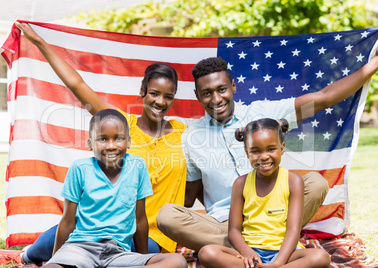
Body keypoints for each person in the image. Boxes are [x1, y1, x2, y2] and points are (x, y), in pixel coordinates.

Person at [0, 22, 187, 267]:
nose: (160, 102)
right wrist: (40, 43)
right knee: (77, 223)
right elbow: (77, 85)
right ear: (143, 90)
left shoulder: (183, 134)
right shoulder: (119, 124)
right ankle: (28, 256)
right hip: (99, 226)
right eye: (154, 93)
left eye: (168, 96)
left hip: (147, 236)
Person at [157, 52, 378, 251]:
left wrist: (374, 64)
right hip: (224, 225)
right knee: (167, 216)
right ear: (197, 95)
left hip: (276, 216)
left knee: (316, 183)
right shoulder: (190, 137)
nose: (216, 99)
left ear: (233, 86)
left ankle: (246, 248)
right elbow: (190, 196)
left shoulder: (264, 112)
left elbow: (323, 98)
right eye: (207, 93)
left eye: (221, 89)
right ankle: (262, 245)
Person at [42, 108, 186, 268]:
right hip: (81, 249)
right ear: (90, 144)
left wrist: (143, 261)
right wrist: (56, 260)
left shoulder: (137, 167)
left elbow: (140, 219)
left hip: (117, 254)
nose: (111, 146)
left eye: (118, 139)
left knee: (177, 262)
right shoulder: (79, 169)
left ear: (129, 142)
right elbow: (68, 222)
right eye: (102, 139)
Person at [198, 118, 331, 268]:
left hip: (285, 253)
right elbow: (234, 230)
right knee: (207, 253)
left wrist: (279, 262)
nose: (264, 156)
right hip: (250, 255)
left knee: (320, 257)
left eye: (271, 149)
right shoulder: (241, 184)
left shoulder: (293, 181)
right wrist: (246, 251)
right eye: (255, 151)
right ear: (246, 152)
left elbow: (293, 229)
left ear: (282, 148)